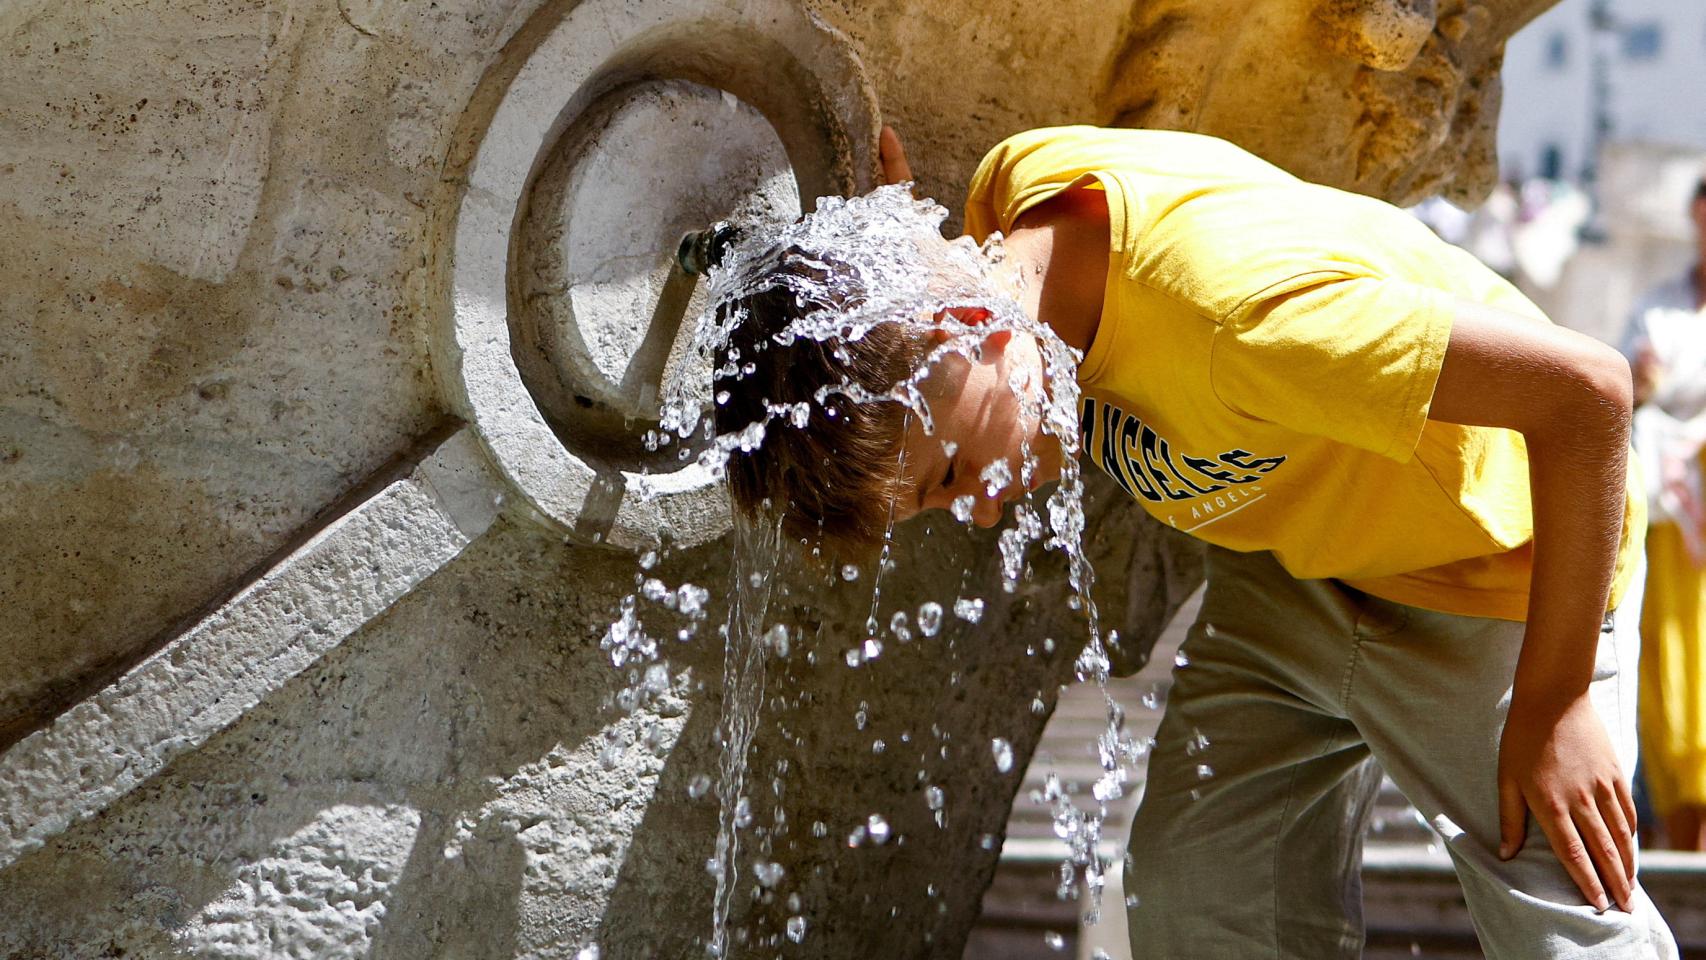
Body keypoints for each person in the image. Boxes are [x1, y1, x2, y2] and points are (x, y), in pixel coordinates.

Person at [709, 124, 1677, 958]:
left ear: (970, 325)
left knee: (1562, 914)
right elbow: (907, 326)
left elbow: (1586, 394)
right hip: (1288, 582)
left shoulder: (1240, 324)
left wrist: (1550, 702)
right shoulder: (1010, 219)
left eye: (954, 477)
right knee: (1197, 885)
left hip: (1492, 577)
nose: (982, 512)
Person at [1620, 175, 1706, 851]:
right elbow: (1623, 393)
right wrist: (1640, 386)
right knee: (1672, 698)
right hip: (1669, 523)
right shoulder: (1659, 309)